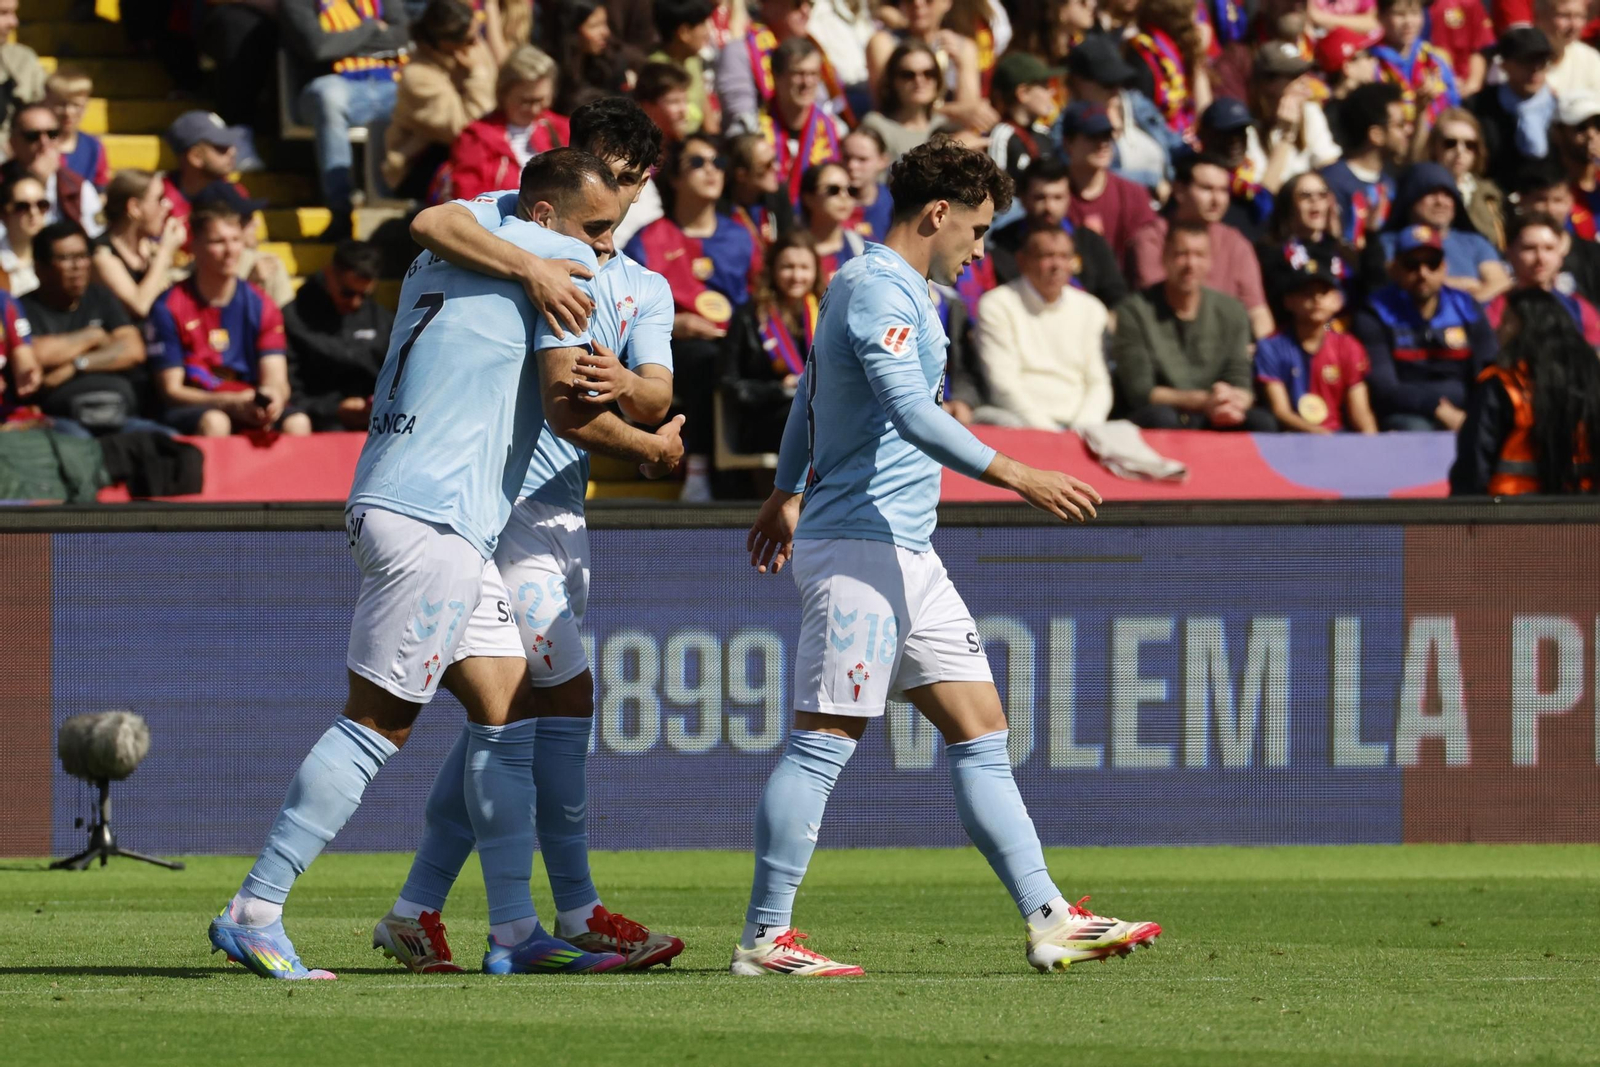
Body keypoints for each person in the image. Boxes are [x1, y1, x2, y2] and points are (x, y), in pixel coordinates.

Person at [208, 148, 682, 981]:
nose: (606, 249)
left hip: (396, 493)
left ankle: (515, 930)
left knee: (509, 709)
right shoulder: (557, 259)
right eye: (598, 228)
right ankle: (257, 906)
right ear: (546, 218)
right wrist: (653, 444)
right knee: (376, 724)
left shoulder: (455, 242)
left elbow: (431, 217)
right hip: (437, 514)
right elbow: (570, 409)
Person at [737, 138, 1160, 978]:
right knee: (824, 742)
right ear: (936, 215)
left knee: (982, 734)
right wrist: (1015, 472)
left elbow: (812, 397)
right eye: (975, 227)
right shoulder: (875, 288)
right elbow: (909, 414)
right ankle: (764, 936)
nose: (979, 247)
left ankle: (1049, 916)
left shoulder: (889, 291)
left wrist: (787, 488)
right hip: (862, 547)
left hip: (906, 550)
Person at [376, 106, 687, 972]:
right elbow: (432, 220)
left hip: (564, 515)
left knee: (502, 717)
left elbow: (658, 393)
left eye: (629, 178)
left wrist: (629, 382)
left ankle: (416, 906)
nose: (617, 192)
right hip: (497, 500)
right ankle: (572, 908)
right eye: (604, 171)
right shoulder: (522, 230)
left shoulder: (644, 286)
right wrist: (644, 437)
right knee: (563, 693)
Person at [626, 132, 757, 499]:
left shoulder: (742, 237)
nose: (711, 171)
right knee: (705, 361)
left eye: (718, 163)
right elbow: (627, 307)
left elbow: (763, 298)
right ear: (675, 178)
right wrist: (673, 325)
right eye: (697, 163)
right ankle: (698, 470)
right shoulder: (648, 239)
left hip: (735, 345)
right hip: (675, 349)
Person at [144, 206, 311, 437]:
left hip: (248, 401)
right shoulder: (169, 305)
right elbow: (171, 391)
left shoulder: (261, 304)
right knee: (216, 421)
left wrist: (273, 398)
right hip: (197, 406)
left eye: (236, 240)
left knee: (298, 423)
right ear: (195, 248)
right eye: (218, 242)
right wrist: (229, 402)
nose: (230, 250)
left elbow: (277, 377)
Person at [1114, 221, 1272, 430]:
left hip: (1215, 410)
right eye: (1181, 254)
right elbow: (1141, 391)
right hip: (1162, 413)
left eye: (1199, 255)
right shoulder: (1134, 311)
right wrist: (1204, 401)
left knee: (1262, 422)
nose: (1190, 264)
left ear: (1209, 261)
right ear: (1164, 257)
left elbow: (1240, 380)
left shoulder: (1232, 311)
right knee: (1162, 418)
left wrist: (1231, 403)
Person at [281, 0, 411, 242]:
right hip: (333, 86)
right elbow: (320, 47)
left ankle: (418, 203)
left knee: (425, 93)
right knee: (329, 97)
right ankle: (341, 209)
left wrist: (344, 42)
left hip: (389, 85)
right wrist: (372, 28)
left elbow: (403, 37)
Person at [1450, 286, 1600, 495]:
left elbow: (1474, 464)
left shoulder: (1503, 385)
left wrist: (1463, 517)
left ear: (1528, 327)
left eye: (1507, 321)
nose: (1498, 329)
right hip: (1584, 518)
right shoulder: (1592, 384)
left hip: (1512, 518)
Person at [1351, 223, 1496, 431]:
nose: (1423, 273)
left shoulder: (1467, 307)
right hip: (1408, 412)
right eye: (1412, 264)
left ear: (1444, 267)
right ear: (1395, 269)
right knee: (1413, 427)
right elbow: (1384, 389)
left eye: (1432, 263)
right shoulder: (1375, 313)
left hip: (1466, 407)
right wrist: (1438, 409)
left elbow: (1488, 370)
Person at [20, 221, 157, 436]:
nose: (78, 266)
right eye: (65, 258)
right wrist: (94, 336)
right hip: (62, 422)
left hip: (121, 414)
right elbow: (35, 355)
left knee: (168, 443)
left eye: (83, 256)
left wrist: (76, 365)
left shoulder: (101, 298)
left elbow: (133, 350)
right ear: (40, 268)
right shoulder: (23, 308)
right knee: (83, 450)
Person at [974, 219, 1111, 430]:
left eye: (1064, 257)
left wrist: (1082, 430)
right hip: (1019, 422)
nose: (1056, 266)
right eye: (1046, 256)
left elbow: (1098, 382)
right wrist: (1050, 434)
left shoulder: (1091, 309)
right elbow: (1003, 384)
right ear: (1022, 261)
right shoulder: (997, 305)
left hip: (1080, 426)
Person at [1128, 153, 1275, 340]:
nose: (1217, 200)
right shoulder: (1151, 239)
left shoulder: (1236, 243)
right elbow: (1156, 307)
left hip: (1229, 352)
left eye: (1223, 191)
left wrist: (1265, 354)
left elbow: (1257, 311)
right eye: (1207, 189)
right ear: (1179, 190)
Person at [381, 0, 498, 200]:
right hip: (421, 163)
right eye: (471, 39)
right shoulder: (417, 76)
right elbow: (465, 131)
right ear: (446, 43)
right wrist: (477, 75)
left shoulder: (470, 50)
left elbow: (497, 99)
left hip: (471, 149)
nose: (478, 43)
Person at [721, 231, 824, 453]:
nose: (796, 275)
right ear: (772, 270)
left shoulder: (827, 316)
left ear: (816, 272)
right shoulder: (749, 316)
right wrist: (778, 389)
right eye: (788, 267)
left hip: (817, 411)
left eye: (804, 268)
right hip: (766, 419)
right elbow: (729, 384)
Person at [985, 156, 1126, 315]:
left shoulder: (1089, 241)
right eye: (1040, 198)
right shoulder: (1004, 243)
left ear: (1069, 199)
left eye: (1057, 197)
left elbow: (1117, 297)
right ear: (1023, 199)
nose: (1049, 207)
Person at [1256, 255, 1379, 433]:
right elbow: (1280, 411)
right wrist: (1319, 435)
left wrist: (1374, 445)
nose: (1317, 299)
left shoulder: (1349, 346)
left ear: (1337, 301)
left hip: (1338, 437)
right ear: (1289, 302)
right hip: (1290, 438)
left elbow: (1361, 413)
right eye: (1307, 293)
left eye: (1324, 292)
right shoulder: (1271, 346)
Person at [283, 240, 395, 431]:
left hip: (377, 418)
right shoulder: (293, 318)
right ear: (329, 274)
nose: (356, 302)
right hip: (320, 421)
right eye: (347, 293)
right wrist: (335, 409)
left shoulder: (382, 319)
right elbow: (290, 391)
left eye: (364, 295)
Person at [446, 45, 567, 201]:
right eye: (526, 101)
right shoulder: (476, 137)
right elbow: (466, 199)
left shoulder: (562, 129)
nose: (535, 109)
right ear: (503, 94)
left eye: (541, 100)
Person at [1063, 33, 1180, 193]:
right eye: (1108, 83)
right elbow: (1092, 176)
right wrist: (1153, 181)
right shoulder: (1069, 124)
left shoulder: (1135, 103)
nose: (1116, 90)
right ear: (1078, 82)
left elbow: (1174, 144)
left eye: (1119, 81)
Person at [717, 0, 853, 137]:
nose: (805, 12)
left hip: (816, 143)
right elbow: (741, 124)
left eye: (810, 5)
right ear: (768, 5)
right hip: (763, 145)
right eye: (797, 4)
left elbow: (830, 109)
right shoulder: (740, 51)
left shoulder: (814, 51)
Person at [1377, 162, 1508, 301]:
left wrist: (1465, 308)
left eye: (1447, 194)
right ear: (1411, 198)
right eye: (1431, 193)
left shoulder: (1474, 242)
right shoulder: (1388, 243)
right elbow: (1397, 281)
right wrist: (1466, 284)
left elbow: (1500, 282)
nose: (1440, 201)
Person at [864, 0, 997, 132]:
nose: (918, 4)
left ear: (947, 3)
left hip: (949, 136)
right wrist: (954, 111)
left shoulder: (963, 46)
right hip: (902, 133)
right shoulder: (885, 43)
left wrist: (961, 66)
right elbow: (887, 106)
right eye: (910, 1)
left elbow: (970, 114)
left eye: (929, 1)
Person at [1483, 211, 1600, 344]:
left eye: (1549, 248)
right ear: (1509, 252)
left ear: (1561, 254)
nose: (1540, 258)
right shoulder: (1493, 309)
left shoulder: (1579, 308)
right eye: (1529, 248)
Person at [760, 37, 847, 208]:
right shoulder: (755, 128)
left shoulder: (836, 130)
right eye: (798, 74)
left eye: (813, 74)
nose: (807, 82)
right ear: (776, 77)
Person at [1320, 82, 1407, 251]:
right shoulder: (1331, 182)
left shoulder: (1392, 183)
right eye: (1400, 125)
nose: (1408, 131)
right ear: (1376, 135)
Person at [1245, 42, 1342, 195]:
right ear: (1267, 84)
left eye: (1305, 73)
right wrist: (1286, 137)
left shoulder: (1310, 112)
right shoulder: (1247, 127)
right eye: (1294, 76)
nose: (1305, 81)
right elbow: (1265, 195)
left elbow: (1331, 170)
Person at [1468, 28, 1555, 193]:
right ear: (1504, 65)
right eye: (1526, 60)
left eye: (1542, 61)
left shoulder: (1561, 109)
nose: (1535, 69)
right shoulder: (1478, 107)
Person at [1059, 101, 1155, 252]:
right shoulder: (1052, 196)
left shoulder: (1133, 194)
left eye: (1106, 136)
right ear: (1068, 143)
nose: (1103, 144)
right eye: (1092, 136)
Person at [92, 169, 187, 320]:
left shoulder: (149, 249)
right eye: (159, 199)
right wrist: (165, 252)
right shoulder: (101, 255)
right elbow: (140, 306)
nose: (167, 206)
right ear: (134, 207)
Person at [6, 103, 103, 236]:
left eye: (52, 134)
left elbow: (98, 237)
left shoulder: (78, 187)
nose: (44, 142)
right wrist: (35, 182)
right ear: (13, 142)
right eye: (32, 136)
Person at [1512, 160, 1600, 306]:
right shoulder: (1506, 255)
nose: (1550, 209)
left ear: (1570, 202)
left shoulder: (1594, 254)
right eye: (1541, 200)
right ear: (1522, 200)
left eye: (1558, 200)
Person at [859, 40, 957, 164]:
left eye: (929, 73)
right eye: (908, 75)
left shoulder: (945, 126)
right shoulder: (876, 126)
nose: (919, 81)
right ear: (892, 80)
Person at [1370, 0, 1459, 132]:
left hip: (1435, 139)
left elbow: (1453, 106)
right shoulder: (1371, 62)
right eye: (1399, 14)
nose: (1408, 22)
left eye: (1415, 13)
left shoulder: (1434, 60)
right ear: (1380, 17)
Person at [1127, 0, 1210, 140]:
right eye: (1194, 19)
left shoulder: (1179, 54)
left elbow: (1206, 117)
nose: (1199, 26)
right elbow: (1205, 120)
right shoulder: (1144, 53)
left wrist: (1197, 61)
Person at [1427, 108, 1503, 250]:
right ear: (1433, 147)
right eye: (1450, 143)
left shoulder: (1490, 195)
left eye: (1469, 145)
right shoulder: (1420, 191)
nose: (1460, 151)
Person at [548, 0, 639, 113]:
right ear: (572, 31)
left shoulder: (612, 63)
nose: (605, 32)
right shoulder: (552, 70)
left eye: (605, 23)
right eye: (594, 26)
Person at [161, 110, 245, 228]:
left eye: (232, 145)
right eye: (221, 147)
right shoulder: (158, 200)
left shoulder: (236, 192)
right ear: (195, 156)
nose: (232, 152)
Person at [986, 51, 1063, 180]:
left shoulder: (1044, 133)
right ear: (1023, 93)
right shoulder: (1002, 136)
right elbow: (996, 188)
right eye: (1044, 86)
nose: (1052, 92)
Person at [649, 0, 720, 132]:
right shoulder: (657, 70)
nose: (707, 32)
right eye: (703, 25)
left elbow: (706, 109)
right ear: (684, 33)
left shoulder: (692, 60)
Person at [727, 131, 796, 252]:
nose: (777, 167)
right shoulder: (723, 209)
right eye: (768, 165)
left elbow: (789, 244)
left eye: (775, 160)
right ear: (741, 175)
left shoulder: (779, 196)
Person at [44, 67, 106, 191]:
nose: (68, 112)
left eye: (76, 105)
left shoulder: (93, 147)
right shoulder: (39, 142)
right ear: (47, 103)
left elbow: (100, 189)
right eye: (60, 104)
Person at [1426, 0, 1495, 97]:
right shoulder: (1407, 9)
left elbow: (1479, 46)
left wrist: (1472, 85)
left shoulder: (1468, 3)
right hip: (1421, 89)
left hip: (1461, 90)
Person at [0, 0, 44, 149]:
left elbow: (52, 123)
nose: (14, 22)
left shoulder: (23, 59)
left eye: (14, 12)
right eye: (3, 13)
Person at [1537, 0, 1600, 98]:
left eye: (1580, 16)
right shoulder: (1517, 58)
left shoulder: (1590, 59)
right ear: (1540, 17)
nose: (1574, 25)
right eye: (1564, 16)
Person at [0, 171, 49, 296]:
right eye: (22, 207)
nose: (34, 212)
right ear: (4, 213)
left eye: (41, 205)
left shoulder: (57, 257)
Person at [842, 127, 893, 240]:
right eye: (846, 158)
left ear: (883, 161)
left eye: (862, 159)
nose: (852, 166)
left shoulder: (894, 206)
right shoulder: (824, 202)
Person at [635, 61, 694, 143]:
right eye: (674, 102)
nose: (683, 110)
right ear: (646, 106)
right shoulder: (627, 151)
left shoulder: (689, 150)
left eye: (685, 101)